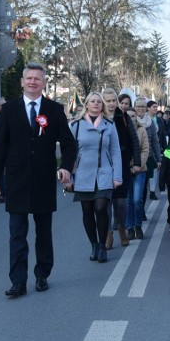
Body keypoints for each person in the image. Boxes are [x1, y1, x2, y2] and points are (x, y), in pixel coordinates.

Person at [0, 62, 78, 297]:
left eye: (37, 78)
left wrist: (66, 167)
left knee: (43, 232)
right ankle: (18, 281)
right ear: (22, 82)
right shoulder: (9, 110)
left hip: (43, 180)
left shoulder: (54, 109)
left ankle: (42, 275)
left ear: (44, 82)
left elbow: (69, 144)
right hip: (16, 180)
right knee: (17, 234)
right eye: (29, 78)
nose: (33, 82)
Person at [66, 92, 122, 264]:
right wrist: (68, 177)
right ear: (87, 105)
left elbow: (115, 151)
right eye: (93, 101)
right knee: (87, 211)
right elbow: (69, 153)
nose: (96, 104)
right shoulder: (75, 126)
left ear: (102, 105)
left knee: (101, 208)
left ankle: (103, 246)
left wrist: (117, 175)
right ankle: (94, 245)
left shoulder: (109, 125)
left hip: (104, 173)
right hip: (83, 174)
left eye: (99, 101)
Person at [101, 88, 140, 249]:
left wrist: (136, 161)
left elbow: (134, 139)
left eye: (113, 100)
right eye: (108, 100)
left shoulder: (122, 116)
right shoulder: (98, 116)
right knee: (106, 201)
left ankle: (122, 228)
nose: (111, 104)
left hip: (122, 163)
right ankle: (108, 233)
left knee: (121, 201)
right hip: (103, 164)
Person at [125, 108, 150, 239]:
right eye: (129, 116)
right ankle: (129, 228)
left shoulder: (141, 130)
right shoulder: (122, 131)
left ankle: (138, 226)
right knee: (128, 201)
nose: (132, 118)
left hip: (140, 170)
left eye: (134, 116)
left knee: (137, 199)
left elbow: (145, 149)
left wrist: (138, 165)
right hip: (126, 171)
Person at [147, 100, 167, 200]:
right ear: (148, 108)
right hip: (147, 147)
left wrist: (164, 148)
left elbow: (162, 135)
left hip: (157, 147)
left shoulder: (159, 120)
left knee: (155, 169)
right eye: (154, 107)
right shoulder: (144, 119)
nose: (156, 109)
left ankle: (152, 191)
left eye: (156, 107)